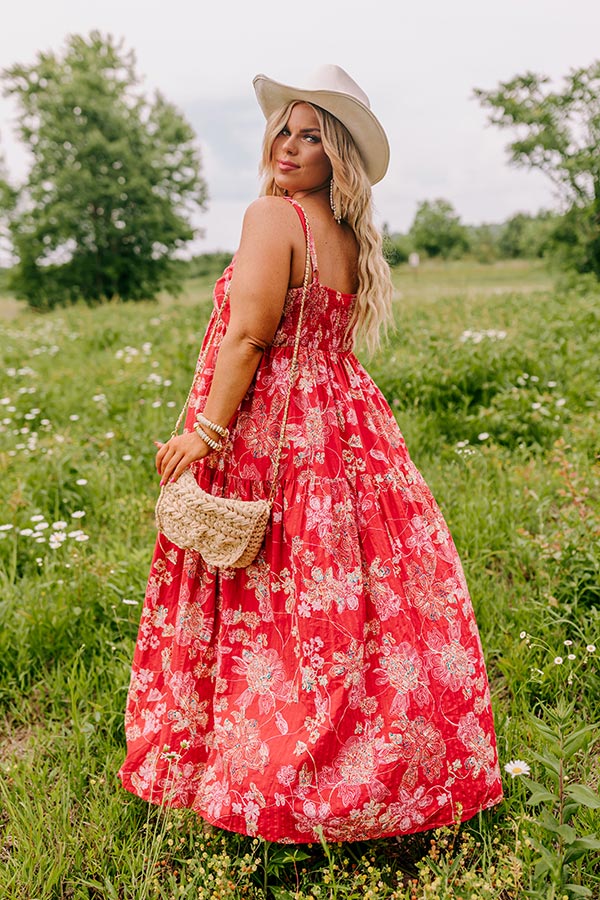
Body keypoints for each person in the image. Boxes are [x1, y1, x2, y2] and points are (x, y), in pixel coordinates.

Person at [118, 65, 503, 843]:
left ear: (338, 156)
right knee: (353, 598)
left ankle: (266, 772)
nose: (289, 146)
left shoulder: (273, 216)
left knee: (263, 591)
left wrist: (207, 432)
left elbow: (252, 334)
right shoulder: (347, 233)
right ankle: (382, 763)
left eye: (311, 136)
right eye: (285, 129)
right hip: (350, 429)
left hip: (273, 431)